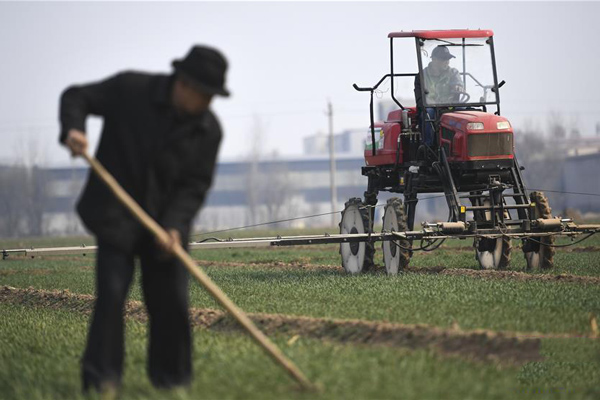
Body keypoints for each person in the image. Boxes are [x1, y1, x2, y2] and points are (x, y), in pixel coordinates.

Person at [59, 45, 229, 395]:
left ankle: (172, 380)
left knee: (172, 301)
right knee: (111, 295)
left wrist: (175, 226)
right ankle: (102, 380)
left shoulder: (208, 130)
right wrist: (73, 130)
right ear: (184, 84)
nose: (208, 104)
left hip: (165, 226)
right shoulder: (130, 91)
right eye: (205, 95)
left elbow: (194, 185)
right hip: (117, 216)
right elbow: (76, 96)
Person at [414, 45, 464, 146]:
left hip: (450, 106)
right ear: (434, 59)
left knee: (468, 111)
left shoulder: (453, 73)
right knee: (428, 113)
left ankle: (463, 144)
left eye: (448, 59)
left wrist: (458, 87)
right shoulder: (422, 76)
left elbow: (458, 84)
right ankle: (429, 147)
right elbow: (420, 100)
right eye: (444, 59)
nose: (447, 62)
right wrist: (432, 104)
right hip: (432, 108)